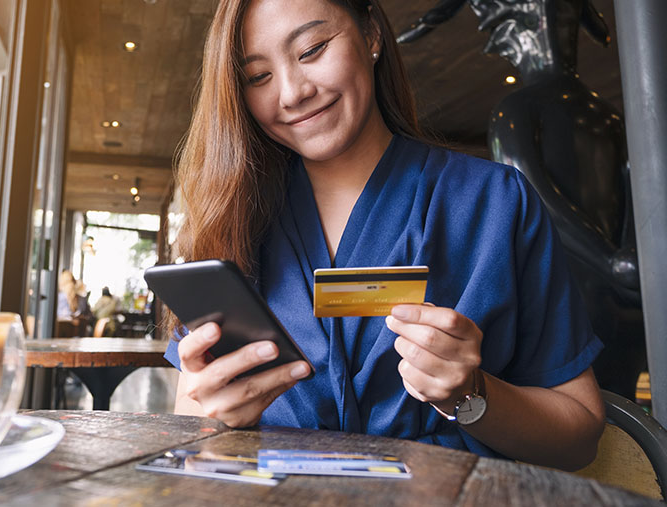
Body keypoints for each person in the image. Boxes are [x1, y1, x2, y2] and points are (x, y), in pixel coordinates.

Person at [163, 0, 604, 472]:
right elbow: (193, 433)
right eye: (257, 77)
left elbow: (578, 438)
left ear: (371, 35)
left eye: (312, 49)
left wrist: (471, 393)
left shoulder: (494, 202)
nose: (291, 93)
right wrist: (216, 418)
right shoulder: (232, 221)